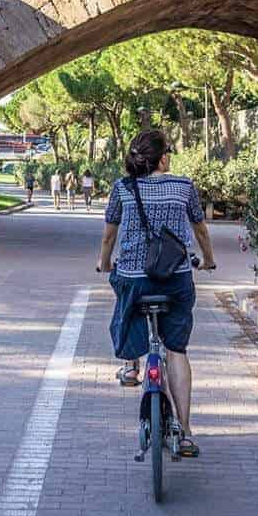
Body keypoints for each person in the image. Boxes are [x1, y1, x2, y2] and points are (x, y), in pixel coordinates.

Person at [96, 129, 217, 458]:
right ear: (163, 158)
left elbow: (109, 237)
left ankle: (132, 365)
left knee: (127, 301)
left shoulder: (122, 188)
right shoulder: (184, 186)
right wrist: (208, 260)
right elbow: (200, 229)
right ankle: (187, 432)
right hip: (176, 277)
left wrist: (104, 263)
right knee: (176, 350)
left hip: (135, 277)